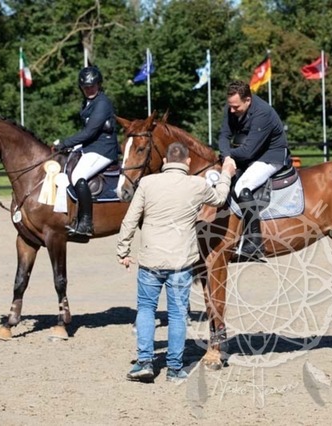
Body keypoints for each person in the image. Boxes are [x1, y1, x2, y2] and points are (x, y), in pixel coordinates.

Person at [117, 142, 236, 384]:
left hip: (150, 260)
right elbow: (221, 198)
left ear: (164, 161)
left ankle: (144, 362)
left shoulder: (147, 183)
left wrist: (123, 250)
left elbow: (130, 219)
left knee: (146, 309)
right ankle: (174, 368)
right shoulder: (197, 185)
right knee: (178, 314)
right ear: (188, 162)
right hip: (181, 262)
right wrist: (226, 173)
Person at [217, 80, 290, 261]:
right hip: (247, 153)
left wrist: (228, 156)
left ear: (248, 100)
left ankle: (254, 241)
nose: (231, 110)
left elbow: (248, 151)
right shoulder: (233, 107)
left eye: (236, 107)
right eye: (230, 106)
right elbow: (224, 136)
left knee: (242, 187)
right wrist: (226, 157)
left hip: (270, 156)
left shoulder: (263, 113)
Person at [53, 66, 119, 237]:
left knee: (77, 175)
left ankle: (86, 223)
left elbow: (89, 131)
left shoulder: (102, 103)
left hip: (103, 150)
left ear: (99, 85)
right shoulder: (88, 102)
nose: (89, 89)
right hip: (91, 146)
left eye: (92, 86)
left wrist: (65, 143)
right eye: (85, 87)